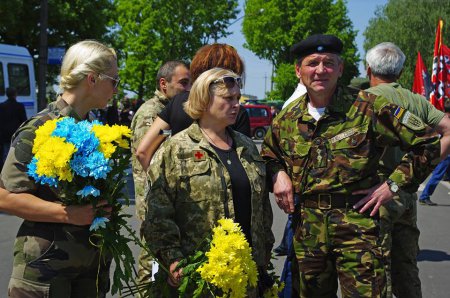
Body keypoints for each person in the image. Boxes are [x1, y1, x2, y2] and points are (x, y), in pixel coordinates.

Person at [261, 34, 440, 297]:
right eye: (312, 63)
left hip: (358, 229)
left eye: (328, 63)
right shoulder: (286, 119)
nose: (321, 70)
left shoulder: (368, 107)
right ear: (299, 71)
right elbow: (268, 155)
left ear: (340, 69)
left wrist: (392, 185)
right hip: (308, 231)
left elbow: (427, 143)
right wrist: (277, 175)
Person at [0, 40, 118, 297]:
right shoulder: (40, 127)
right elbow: (5, 197)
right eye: (114, 81)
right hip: (46, 271)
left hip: (89, 270)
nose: (116, 90)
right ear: (92, 79)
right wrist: (67, 214)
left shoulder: (95, 128)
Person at [141, 68, 274, 296]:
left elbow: (262, 208)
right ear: (204, 99)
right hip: (196, 276)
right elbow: (157, 212)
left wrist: (263, 255)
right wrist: (173, 259)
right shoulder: (177, 149)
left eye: (237, 98)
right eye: (228, 99)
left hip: (245, 275)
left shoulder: (247, 146)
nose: (236, 104)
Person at [363, 42, 450, 298]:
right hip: (405, 193)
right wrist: (423, 167)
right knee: (406, 268)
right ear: (400, 73)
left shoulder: (363, 101)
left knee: (376, 273)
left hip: (373, 196)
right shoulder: (416, 101)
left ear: (368, 69)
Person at [135, 44, 251, 171]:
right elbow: (246, 166)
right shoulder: (236, 112)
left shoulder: (178, 102)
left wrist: (161, 184)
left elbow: (143, 152)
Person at [130, 60, 190, 292]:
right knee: (151, 264)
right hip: (153, 201)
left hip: (163, 199)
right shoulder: (152, 114)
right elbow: (148, 158)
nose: (188, 89)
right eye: (183, 83)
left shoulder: (172, 109)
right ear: (164, 84)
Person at [0, 87, 27, 167]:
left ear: (7, 95)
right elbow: (24, 121)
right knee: (15, 154)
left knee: (5, 154)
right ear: (15, 95)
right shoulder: (19, 106)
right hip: (16, 134)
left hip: (4, 135)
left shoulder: (1, 106)